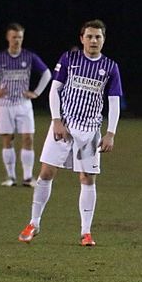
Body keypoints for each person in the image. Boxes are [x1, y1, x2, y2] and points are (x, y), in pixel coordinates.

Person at [17, 19, 123, 247]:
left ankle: (86, 232)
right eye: (90, 36)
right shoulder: (69, 59)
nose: (94, 40)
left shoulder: (111, 67)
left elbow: (114, 102)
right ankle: (34, 223)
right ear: (82, 38)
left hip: (90, 130)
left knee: (87, 178)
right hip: (64, 126)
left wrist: (110, 133)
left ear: (104, 40)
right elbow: (55, 90)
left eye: (98, 37)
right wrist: (56, 120)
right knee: (45, 173)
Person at [0, 23, 52, 186]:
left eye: (20, 37)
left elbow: (47, 73)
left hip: (24, 104)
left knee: (28, 138)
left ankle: (27, 177)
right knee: (7, 139)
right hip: (4, 105)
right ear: (8, 38)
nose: (17, 40)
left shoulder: (29, 57)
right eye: (14, 37)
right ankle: (10, 177)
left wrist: (36, 92)